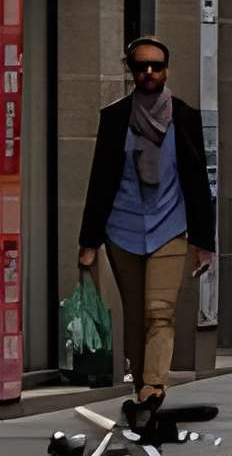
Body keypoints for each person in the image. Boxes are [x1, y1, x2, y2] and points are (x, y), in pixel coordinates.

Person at [77, 37, 215, 427]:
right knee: (136, 315)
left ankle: (154, 386)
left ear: (166, 69)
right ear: (131, 71)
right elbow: (99, 180)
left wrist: (205, 242)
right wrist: (89, 242)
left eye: (156, 66)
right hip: (121, 229)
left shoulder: (184, 117)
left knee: (160, 312)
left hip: (170, 227)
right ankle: (141, 387)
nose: (149, 73)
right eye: (141, 67)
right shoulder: (115, 117)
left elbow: (197, 181)